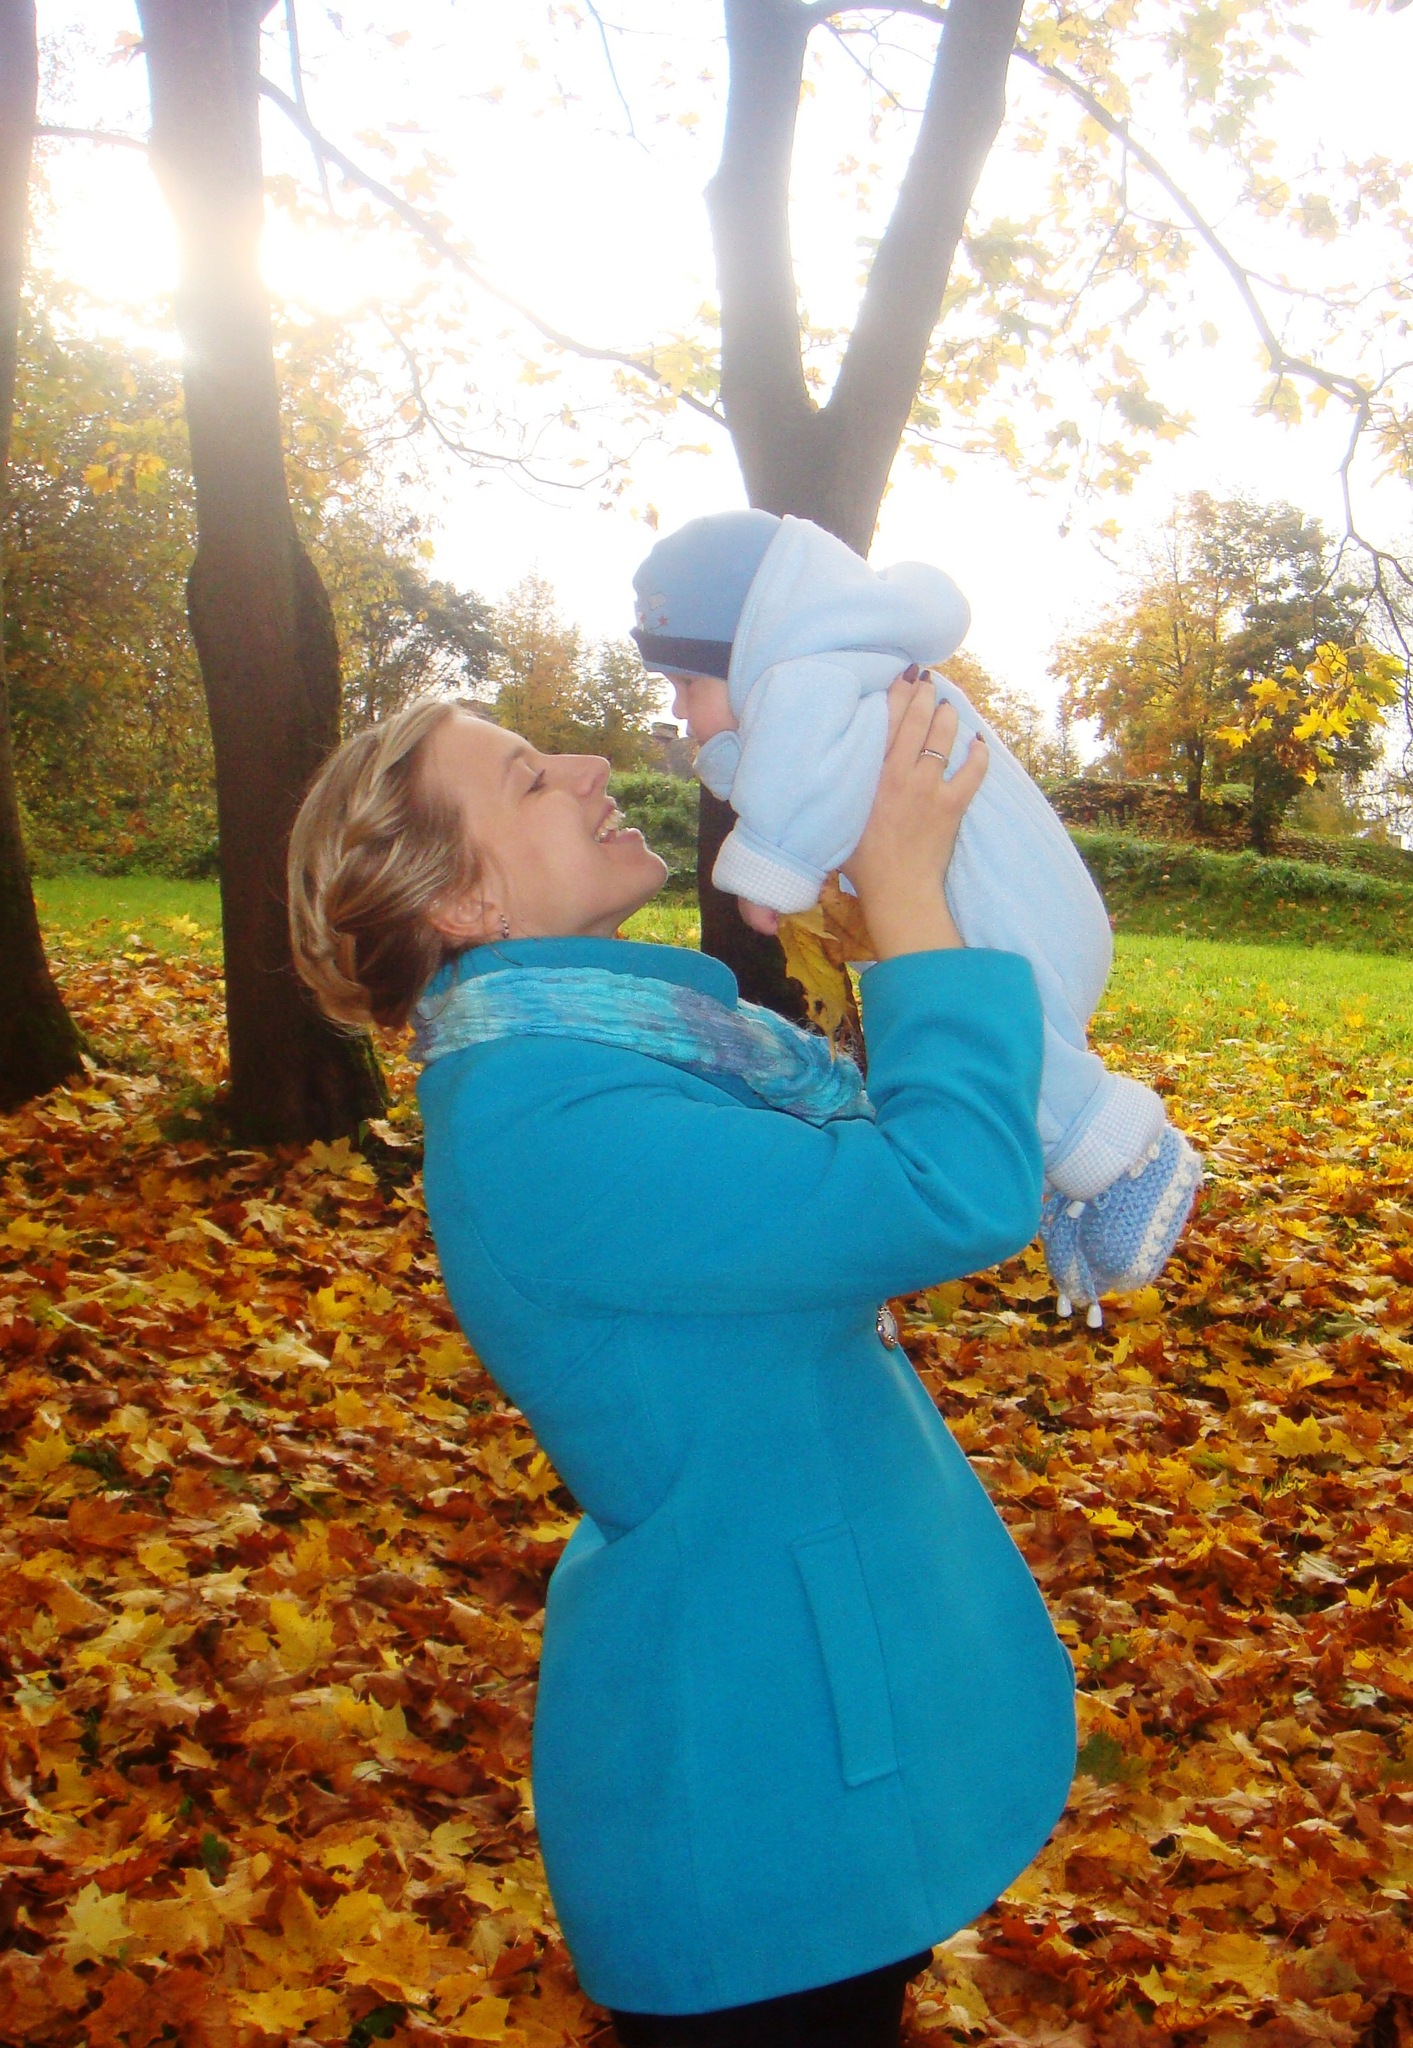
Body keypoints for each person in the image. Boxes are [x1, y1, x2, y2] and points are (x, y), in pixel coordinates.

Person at [287, 678, 1077, 2047]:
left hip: (809, 1723)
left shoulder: (613, 1055)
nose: (589, 765)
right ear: (462, 901)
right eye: (529, 776)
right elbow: (948, 1186)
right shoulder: (544, 1117)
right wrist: (905, 893)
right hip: (758, 1792)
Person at [631, 510, 1204, 1325]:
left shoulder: (810, 682)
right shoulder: (859, 673)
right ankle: (1052, 1169)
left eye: (689, 685)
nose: (682, 712)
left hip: (997, 906)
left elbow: (794, 797)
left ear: (750, 644)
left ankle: (1121, 1156)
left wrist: (767, 875)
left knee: (1007, 1034)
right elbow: (783, 770)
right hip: (1008, 900)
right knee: (992, 1040)